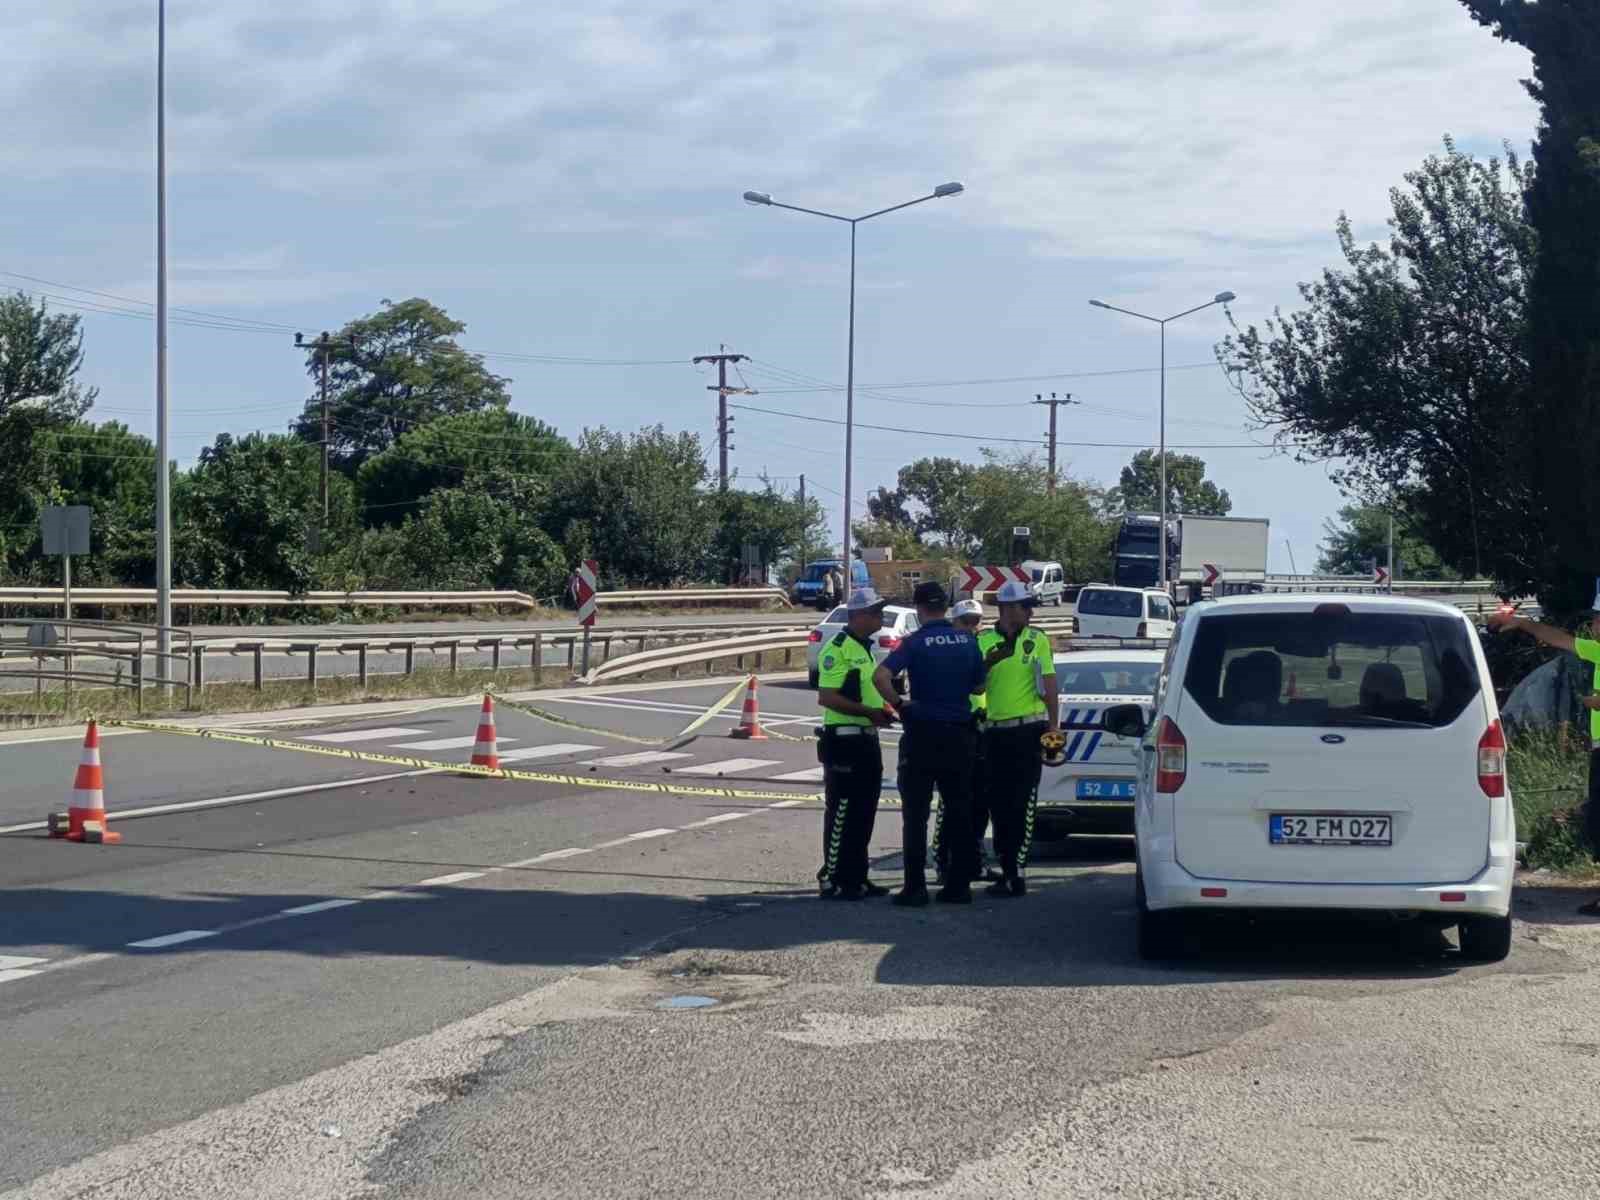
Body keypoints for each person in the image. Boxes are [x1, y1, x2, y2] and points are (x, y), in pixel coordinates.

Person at [873, 581, 986, 905]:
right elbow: (979, 688)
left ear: (919, 608)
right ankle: (958, 885)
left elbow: (880, 677)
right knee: (959, 809)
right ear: (946, 605)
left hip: (922, 733)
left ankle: (915, 887)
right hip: (960, 734)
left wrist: (901, 704)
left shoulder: (915, 642)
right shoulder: (967, 640)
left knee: (916, 814)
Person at [1487, 602, 1600, 901]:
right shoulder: (1598, 651)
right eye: (1595, 620)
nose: (1595, 626)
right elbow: (1560, 639)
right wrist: (1524, 624)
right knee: (1597, 819)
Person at [978, 579, 1060, 897]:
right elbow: (975, 686)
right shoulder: (983, 641)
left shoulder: (1037, 639)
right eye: (1025, 607)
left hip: (1030, 730)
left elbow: (1050, 684)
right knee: (998, 804)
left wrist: (1054, 728)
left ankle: (1018, 870)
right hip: (996, 733)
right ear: (1008, 609)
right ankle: (1007, 866)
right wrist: (988, 663)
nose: (1030, 612)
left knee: (1024, 801)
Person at [815, 588, 898, 900]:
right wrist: (869, 713)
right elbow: (828, 697)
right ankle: (833, 876)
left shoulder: (864, 648)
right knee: (843, 811)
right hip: (845, 740)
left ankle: (858, 877)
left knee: (865, 811)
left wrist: (883, 711)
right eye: (876, 612)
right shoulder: (838, 649)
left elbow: (862, 692)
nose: (880, 616)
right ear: (858, 616)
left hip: (866, 738)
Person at [938, 598, 997, 883]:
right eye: (966, 621)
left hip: (981, 727)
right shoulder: (947, 649)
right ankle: (943, 861)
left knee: (980, 802)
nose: (972, 627)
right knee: (951, 803)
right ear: (954, 621)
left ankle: (975, 859)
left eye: (976, 621)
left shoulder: (982, 644)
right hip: (955, 728)